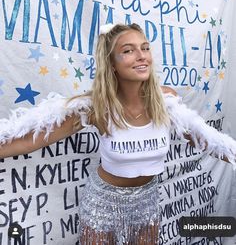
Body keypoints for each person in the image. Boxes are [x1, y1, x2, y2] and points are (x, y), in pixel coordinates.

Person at [0, 23, 235, 245]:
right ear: (111, 63)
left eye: (144, 48)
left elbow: (206, 140)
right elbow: (33, 138)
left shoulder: (166, 100)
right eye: (128, 50)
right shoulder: (96, 106)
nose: (142, 56)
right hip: (103, 203)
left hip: (147, 199)